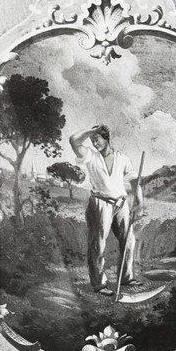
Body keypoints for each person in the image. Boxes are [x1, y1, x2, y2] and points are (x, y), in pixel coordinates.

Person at [69, 124, 144, 296]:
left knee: (129, 241)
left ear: (106, 138)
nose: (94, 144)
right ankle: (99, 284)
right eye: (92, 141)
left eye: (97, 139)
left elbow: (135, 182)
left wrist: (140, 202)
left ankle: (126, 278)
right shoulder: (90, 156)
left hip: (121, 204)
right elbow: (73, 140)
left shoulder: (122, 158)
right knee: (98, 244)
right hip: (100, 203)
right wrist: (92, 131)